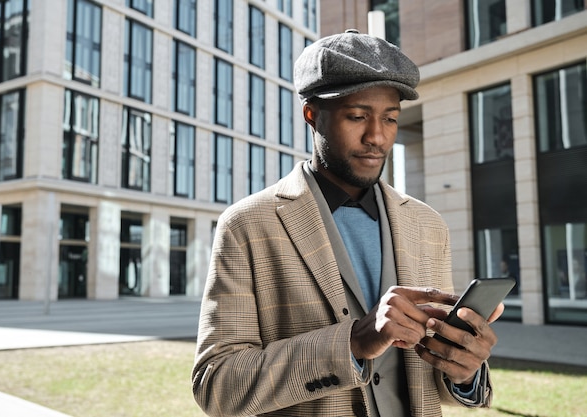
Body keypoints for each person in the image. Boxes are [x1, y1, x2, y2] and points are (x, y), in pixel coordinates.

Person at [192, 30, 503, 417]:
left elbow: (432, 381)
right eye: (357, 116)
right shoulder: (248, 224)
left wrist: (465, 370)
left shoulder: (428, 225)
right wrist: (353, 343)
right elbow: (216, 386)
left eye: (390, 119)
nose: (377, 137)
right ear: (312, 115)